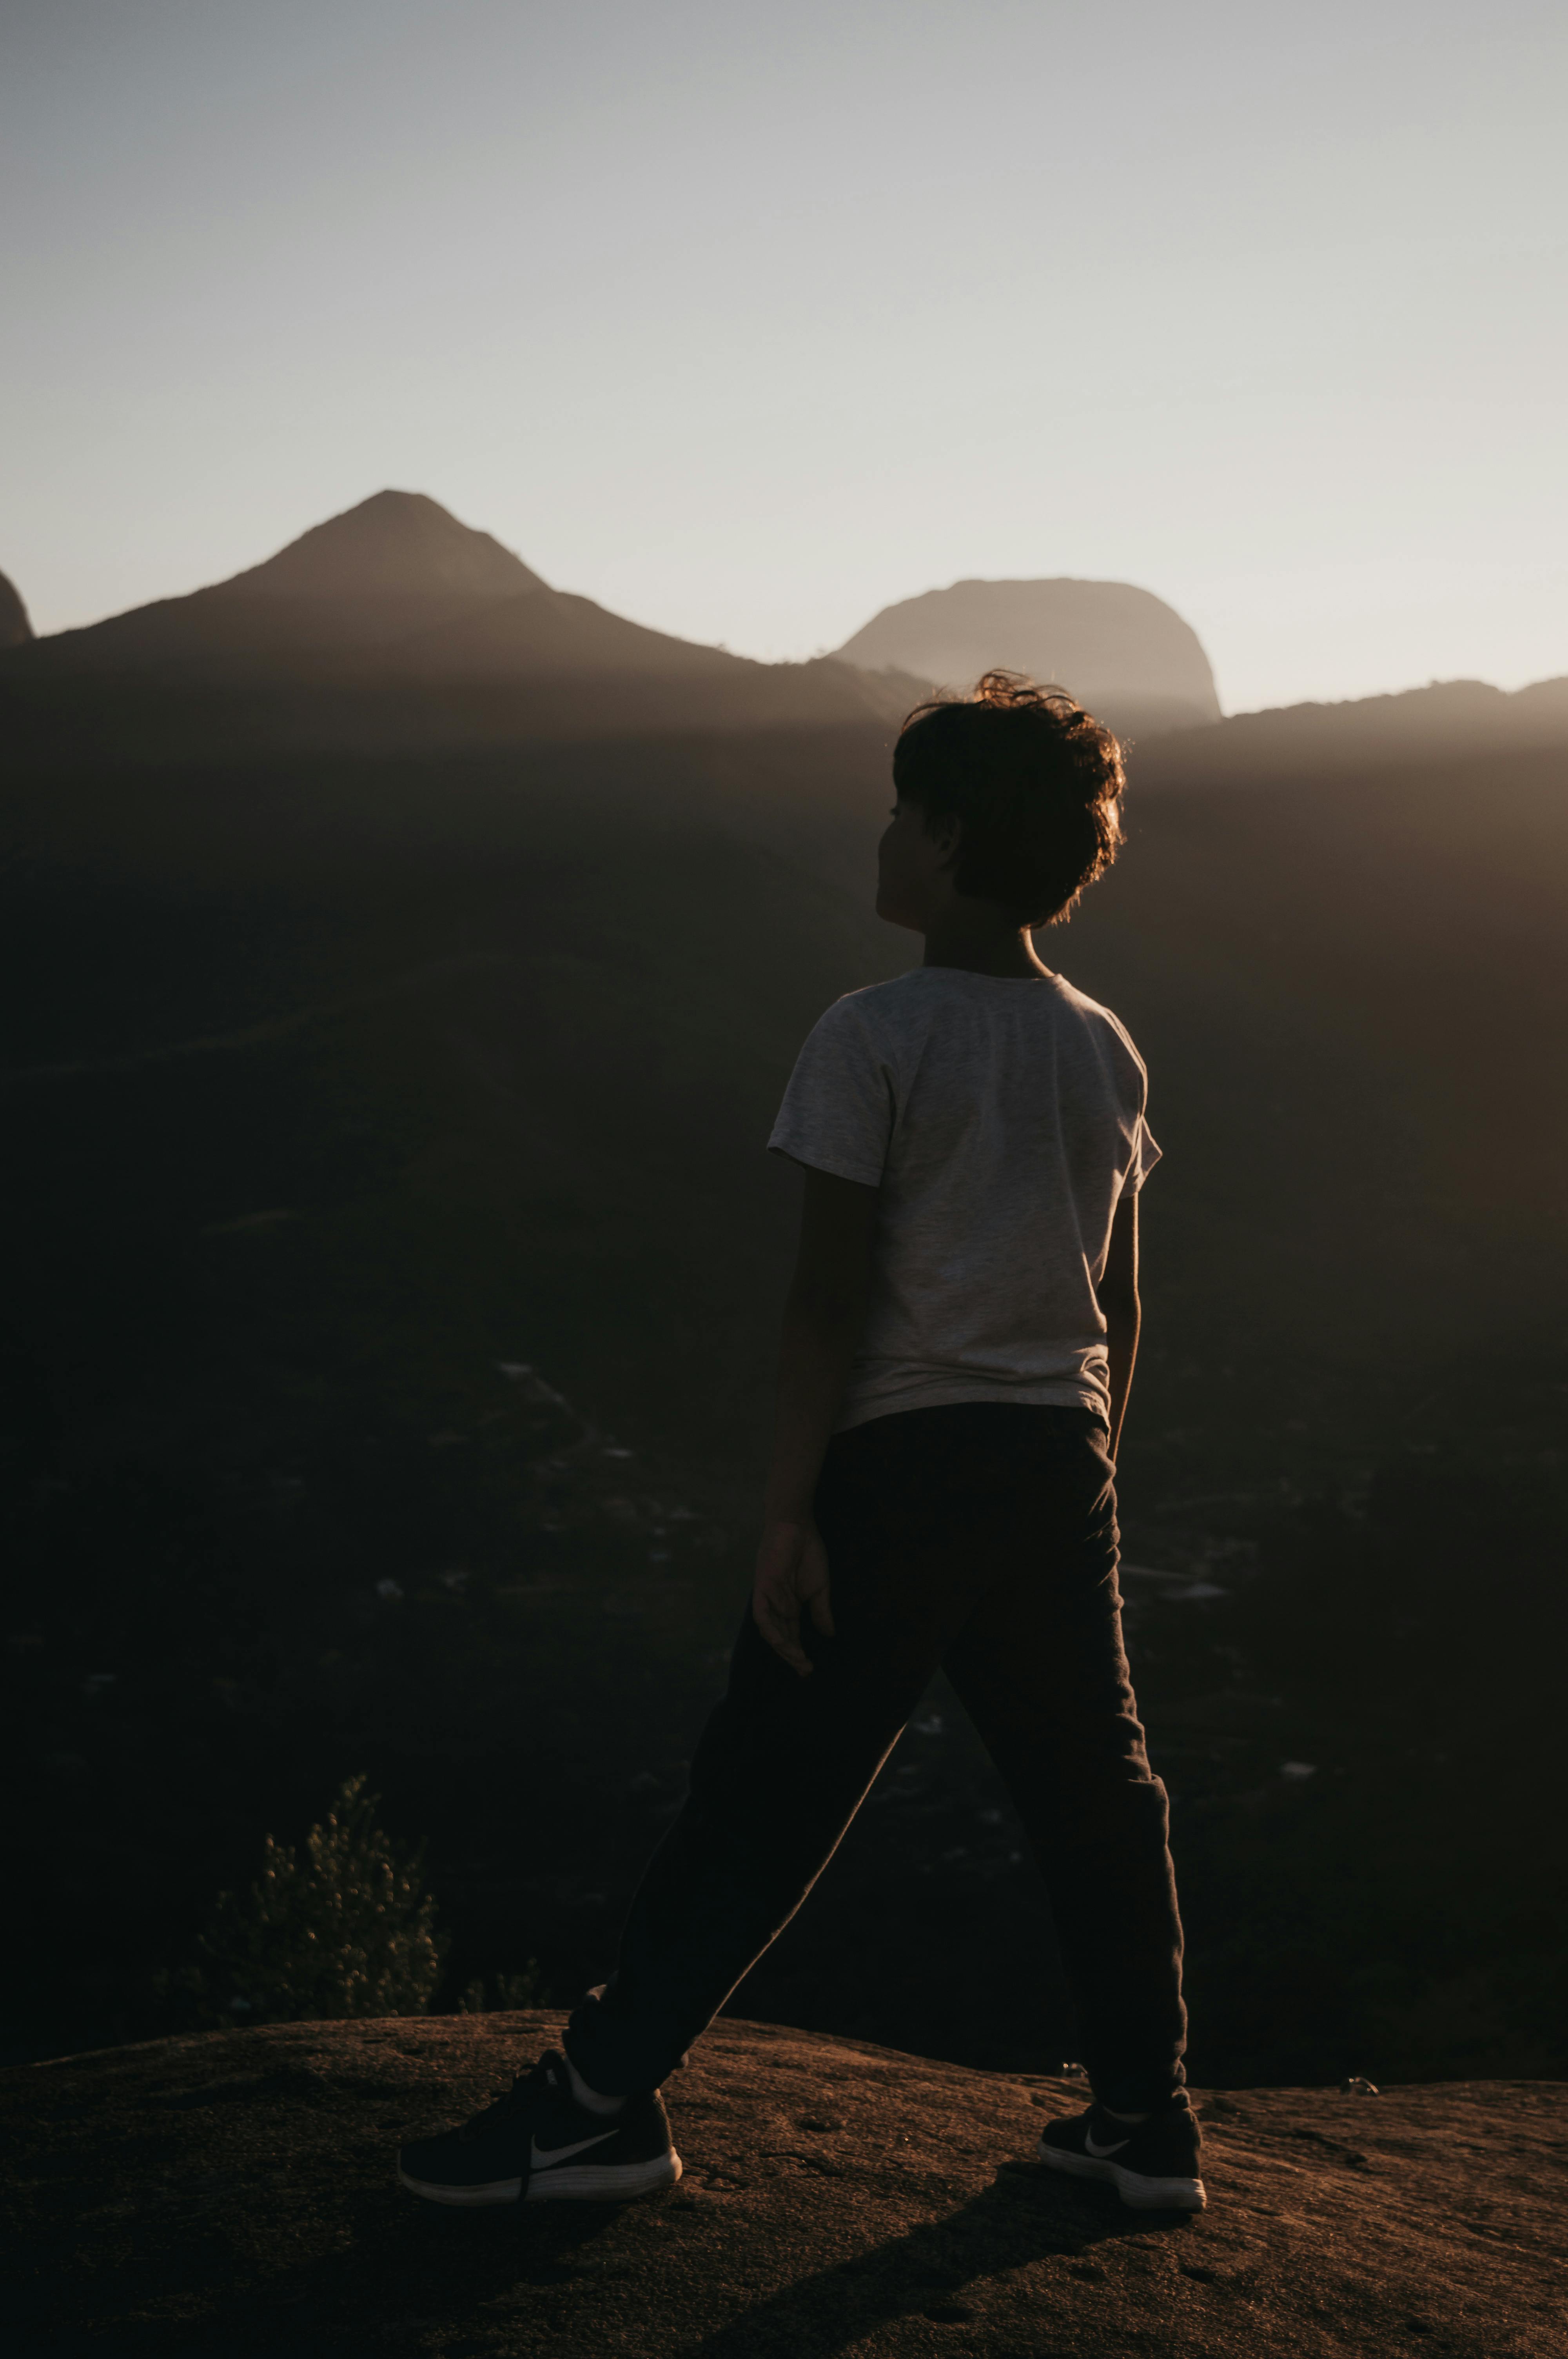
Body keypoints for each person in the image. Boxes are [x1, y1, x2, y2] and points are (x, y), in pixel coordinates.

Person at [397, 671, 1202, 2215]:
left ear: (952, 837)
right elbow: (1119, 1300)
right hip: (1056, 1465)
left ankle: (593, 2110)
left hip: (898, 1467)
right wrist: (1092, 1473)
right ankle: (1144, 2120)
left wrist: (787, 1514)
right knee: (1099, 1794)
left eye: (903, 812)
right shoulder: (1105, 1048)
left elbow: (827, 1299)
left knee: (767, 1790)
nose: (883, 835)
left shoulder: (871, 1033)